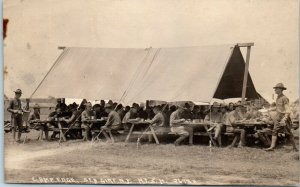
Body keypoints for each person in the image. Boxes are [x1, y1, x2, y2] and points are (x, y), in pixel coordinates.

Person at [265, 83, 298, 151]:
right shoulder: (278, 98)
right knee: (275, 131)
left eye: (276, 89)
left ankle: (295, 148)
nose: (275, 90)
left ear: (280, 89)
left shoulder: (284, 98)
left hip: (284, 117)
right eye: (275, 89)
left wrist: (285, 118)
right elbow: (278, 108)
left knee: (288, 132)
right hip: (278, 116)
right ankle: (272, 147)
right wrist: (270, 109)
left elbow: (287, 109)